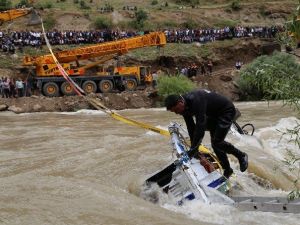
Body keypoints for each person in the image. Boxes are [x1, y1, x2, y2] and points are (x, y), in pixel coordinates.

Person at [164, 90, 248, 178]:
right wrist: (194, 148)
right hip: (213, 115)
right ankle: (228, 170)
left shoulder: (196, 100)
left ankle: (241, 156)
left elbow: (200, 125)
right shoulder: (183, 108)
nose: (177, 113)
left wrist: (194, 149)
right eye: (174, 112)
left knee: (217, 142)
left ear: (180, 102)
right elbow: (191, 127)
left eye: (177, 109)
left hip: (226, 111)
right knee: (215, 144)